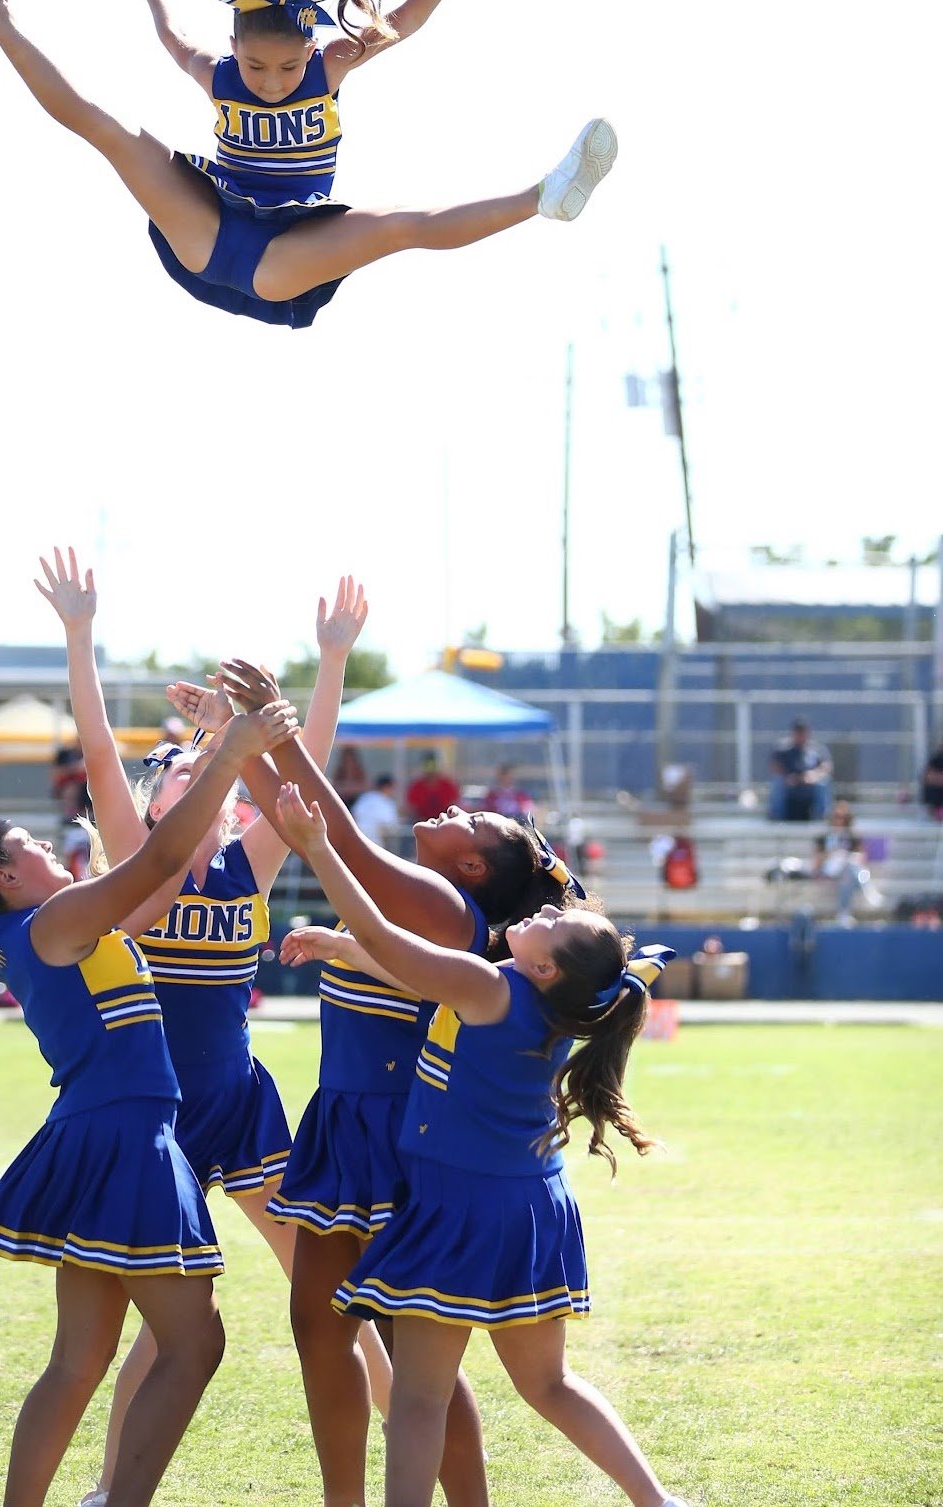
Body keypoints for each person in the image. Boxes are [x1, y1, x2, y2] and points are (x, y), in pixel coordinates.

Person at [0, 0, 617, 330]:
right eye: (257, 65)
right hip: (204, 229)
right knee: (106, 129)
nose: (271, 80)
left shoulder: (330, 65)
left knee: (397, 224)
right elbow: (172, 39)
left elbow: (406, 20)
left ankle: (545, 196)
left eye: (288, 66)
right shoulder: (218, 74)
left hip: (284, 258)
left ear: (312, 48)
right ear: (234, 44)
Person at [35, 553, 383, 1507]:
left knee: (332, 1286)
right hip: (154, 1120)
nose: (207, 778)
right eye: (185, 767)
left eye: (216, 772)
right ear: (158, 798)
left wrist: (332, 659)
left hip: (237, 1100)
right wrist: (79, 634)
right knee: (159, 1323)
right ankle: (112, 1488)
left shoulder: (250, 863)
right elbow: (101, 750)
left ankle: (412, 1433)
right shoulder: (135, 858)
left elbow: (301, 757)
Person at [0, 697, 298, 1507]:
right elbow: (155, 866)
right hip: (126, 1139)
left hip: (100, 1132)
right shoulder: (53, 919)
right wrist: (226, 756)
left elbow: (162, 888)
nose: (52, 846)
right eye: (35, 846)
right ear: (8, 876)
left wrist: (224, 759)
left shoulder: (60, 923)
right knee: (194, 1342)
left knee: (79, 1360)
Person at [213, 655, 587, 1507]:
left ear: (476, 870)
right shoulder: (411, 891)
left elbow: (332, 831)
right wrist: (236, 738)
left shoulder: (443, 908)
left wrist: (279, 715)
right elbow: (299, 816)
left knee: (413, 1346)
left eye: (474, 822)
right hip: (342, 1124)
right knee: (318, 1329)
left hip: (397, 1138)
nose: (449, 808)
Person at [273, 780, 692, 1507]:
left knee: (418, 1398)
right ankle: (659, 1501)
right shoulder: (547, 1001)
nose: (543, 915)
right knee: (549, 1383)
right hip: (533, 1206)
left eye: (551, 925)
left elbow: (392, 943)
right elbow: (408, 966)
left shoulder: (487, 984)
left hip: (459, 1208)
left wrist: (317, 851)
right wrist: (342, 945)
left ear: (546, 967)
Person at [769, 719, 833, 822]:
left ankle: (821, 819)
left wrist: (813, 776)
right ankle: (777, 819)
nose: (800, 735)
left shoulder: (818, 748)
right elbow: (774, 767)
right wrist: (788, 778)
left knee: (823, 783)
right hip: (789, 785)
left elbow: (827, 767)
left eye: (803, 732)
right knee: (778, 782)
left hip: (810, 786)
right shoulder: (782, 748)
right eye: (798, 732)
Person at [351, 772, 403, 849]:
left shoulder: (365, 797)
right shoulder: (387, 803)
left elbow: (354, 814)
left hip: (356, 838)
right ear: (387, 787)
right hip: (374, 842)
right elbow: (390, 825)